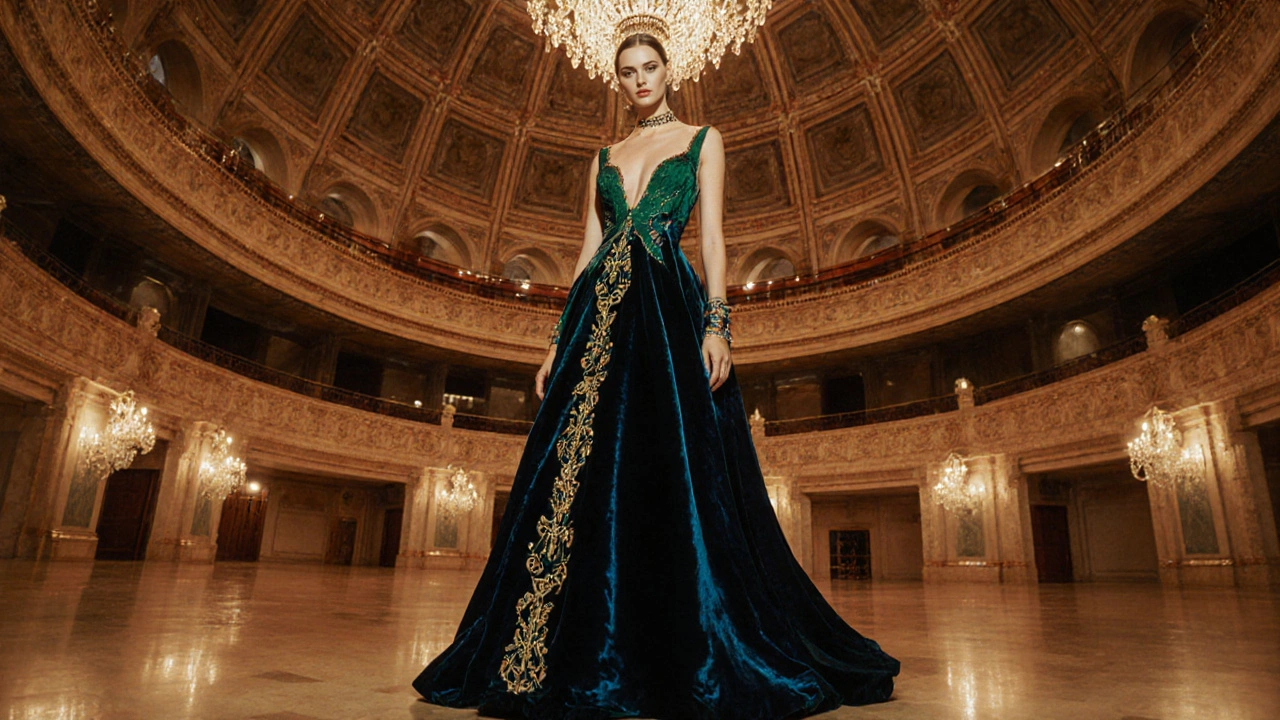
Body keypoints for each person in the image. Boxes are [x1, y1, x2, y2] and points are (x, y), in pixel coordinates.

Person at [413, 32, 899, 719]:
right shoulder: (603, 157)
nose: (639, 80)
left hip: (666, 308)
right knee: (572, 477)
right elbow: (586, 250)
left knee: (669, 466)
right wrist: (556, 341)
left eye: (649, 68)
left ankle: (677, 647)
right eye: (627, 73)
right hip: (592, 320)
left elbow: (712, 238)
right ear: (616, 81)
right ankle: (554, 650)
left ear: (671, 70)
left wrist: (717, 324)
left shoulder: (705, 139)